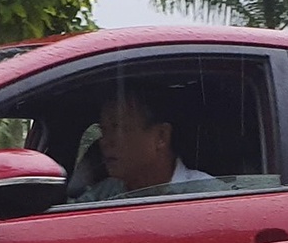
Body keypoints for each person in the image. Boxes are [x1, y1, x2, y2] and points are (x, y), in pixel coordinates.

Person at [74, 84, 220, 202]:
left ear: (161, 136)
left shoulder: (207, 196)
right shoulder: (104, 195)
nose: (105, 141)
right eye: (103, 130)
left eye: (118, 128)